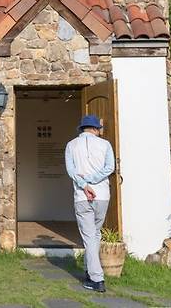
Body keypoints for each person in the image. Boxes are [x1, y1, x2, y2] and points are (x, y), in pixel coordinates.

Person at [65, 114, 115, 292]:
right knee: (94, 235)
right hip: (102, 195)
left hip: (82, 196)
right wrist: (93, 181)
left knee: (89, 237)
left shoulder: (71, 145)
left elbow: (71, 170)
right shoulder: (105, 144)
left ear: (82, 128)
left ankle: (97, 280)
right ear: (95, 129)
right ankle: (89, 271)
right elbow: (110, 167)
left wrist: (85, 184)